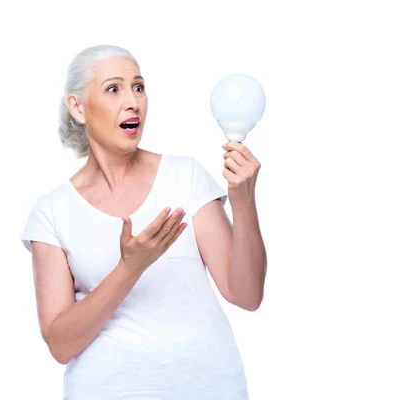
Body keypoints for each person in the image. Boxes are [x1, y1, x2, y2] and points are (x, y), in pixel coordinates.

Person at [20, 45, 267, 399]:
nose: (133, 101)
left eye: (138, 87)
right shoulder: (52, 212)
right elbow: (60, 344)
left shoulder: (186, 177)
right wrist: (129, 268)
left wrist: (244, 204)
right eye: (113, 89)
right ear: (78, 107)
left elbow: (247, 295)